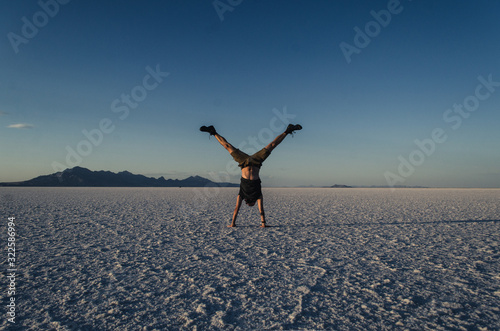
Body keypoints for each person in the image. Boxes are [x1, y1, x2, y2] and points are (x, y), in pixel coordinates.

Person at [200, 123, 302, 227]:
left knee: (227, 146)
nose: (250, 205)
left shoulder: (242, 195)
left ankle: (213, 132)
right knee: (272, 145)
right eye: (251, 205)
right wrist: (263, 224)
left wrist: (232, 224)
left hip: (243, 162)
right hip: (256, 162)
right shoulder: (258, 195)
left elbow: (236, 209)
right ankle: (288, 131)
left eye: (249, 205)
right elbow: (261, 210)